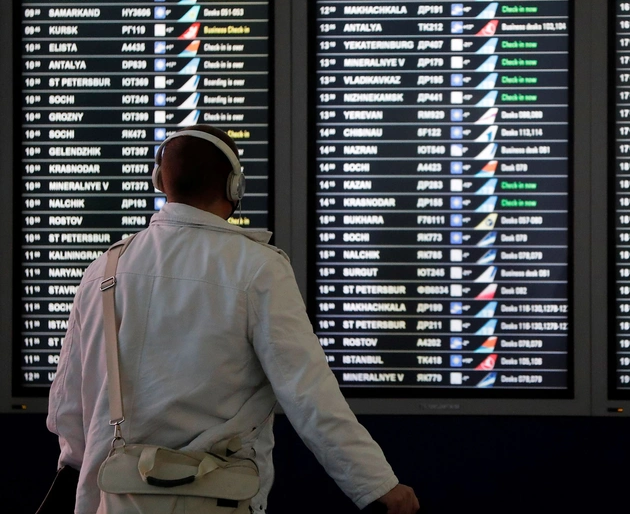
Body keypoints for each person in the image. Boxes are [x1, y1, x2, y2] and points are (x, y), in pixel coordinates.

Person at [47, 125, 419, 513]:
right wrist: (377, 485)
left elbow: (69, 403)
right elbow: (309, 394)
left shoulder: (105, 268)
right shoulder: (257, 269)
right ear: (234, 188)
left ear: (160, 181)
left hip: (113, 497)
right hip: (213, 497)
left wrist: (80, 468)